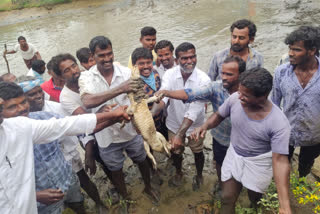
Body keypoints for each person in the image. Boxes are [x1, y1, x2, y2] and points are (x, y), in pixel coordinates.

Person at [0, 81, 130, 214]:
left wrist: (113, 117)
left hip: (66, 179)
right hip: (39, 203)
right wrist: (35, 195)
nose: (21, 108)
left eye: (23, 102)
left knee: (79, 203)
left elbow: (74, 126)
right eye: (12, 107)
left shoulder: (40, 119)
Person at [192, 67, 292, 214]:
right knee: (227, 198)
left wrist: (284, 204)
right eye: (239, 92)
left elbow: (280, 161)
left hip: (258, 162)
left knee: (255, 197)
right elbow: (219, 115)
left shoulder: (278, 123)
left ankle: (255, 206)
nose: (239, 97)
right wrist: (205, 126)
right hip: (234, 155)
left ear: (263, 96)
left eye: (245, 95)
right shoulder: (235, 99)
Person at [78, 36, 160, 204]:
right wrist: (120, 89)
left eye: (110, 54)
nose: (107, 58)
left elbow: (139, 101)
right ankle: (126, 196)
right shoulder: (86, 77)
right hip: (106, 136)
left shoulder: (127, 73)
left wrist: (141, 123)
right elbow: (87, 101)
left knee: (142, 159)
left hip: (130, 131)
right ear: (93, 56)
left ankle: (148, 187)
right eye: (101, 55)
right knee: (115, 169)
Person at [156, 55, 246, 192]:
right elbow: (191, 94)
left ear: (241, 74)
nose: (224, 77)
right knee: (220, 163)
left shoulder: (249, 91)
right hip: (221, 136)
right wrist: (166, 93)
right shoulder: (215, 87)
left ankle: (240, 187)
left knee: (241, 166)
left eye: (229, 74)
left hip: (243, 140)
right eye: (222, 73)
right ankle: (222, 185)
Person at [53, 53, 120, 204]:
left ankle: (118, 178)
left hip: (111, 120)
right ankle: (116, 184)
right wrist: (89, 151)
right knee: (104, 161)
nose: (74, 71)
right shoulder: (66, 97)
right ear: (60, 77)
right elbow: (86, 123)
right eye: (67, 70)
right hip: (91, 132)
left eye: (74, 66)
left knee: (117, 154)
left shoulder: (89, 77)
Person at [151, 42, 211, 190]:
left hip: (195, 125)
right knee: (176, 152)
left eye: (192, 57)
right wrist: (150, 116)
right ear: (177, 60)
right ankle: (178, 172)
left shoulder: (204, 80)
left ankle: (199, 174)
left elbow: (195, 109)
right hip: (173, 122)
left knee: (197, 152)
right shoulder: (170, 74)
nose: (190, 61)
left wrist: (180, 134)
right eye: (185, 58)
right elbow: (163, 98)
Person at [272, 26, 320, 178]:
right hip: (286, 132)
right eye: (290, 48)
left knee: (306, 163)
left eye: (296, 50)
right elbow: (273, 103)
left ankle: (302, 178)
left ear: (312, 50)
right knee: (282, 163)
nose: (290, 54)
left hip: (315, 134)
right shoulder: (281, 72)